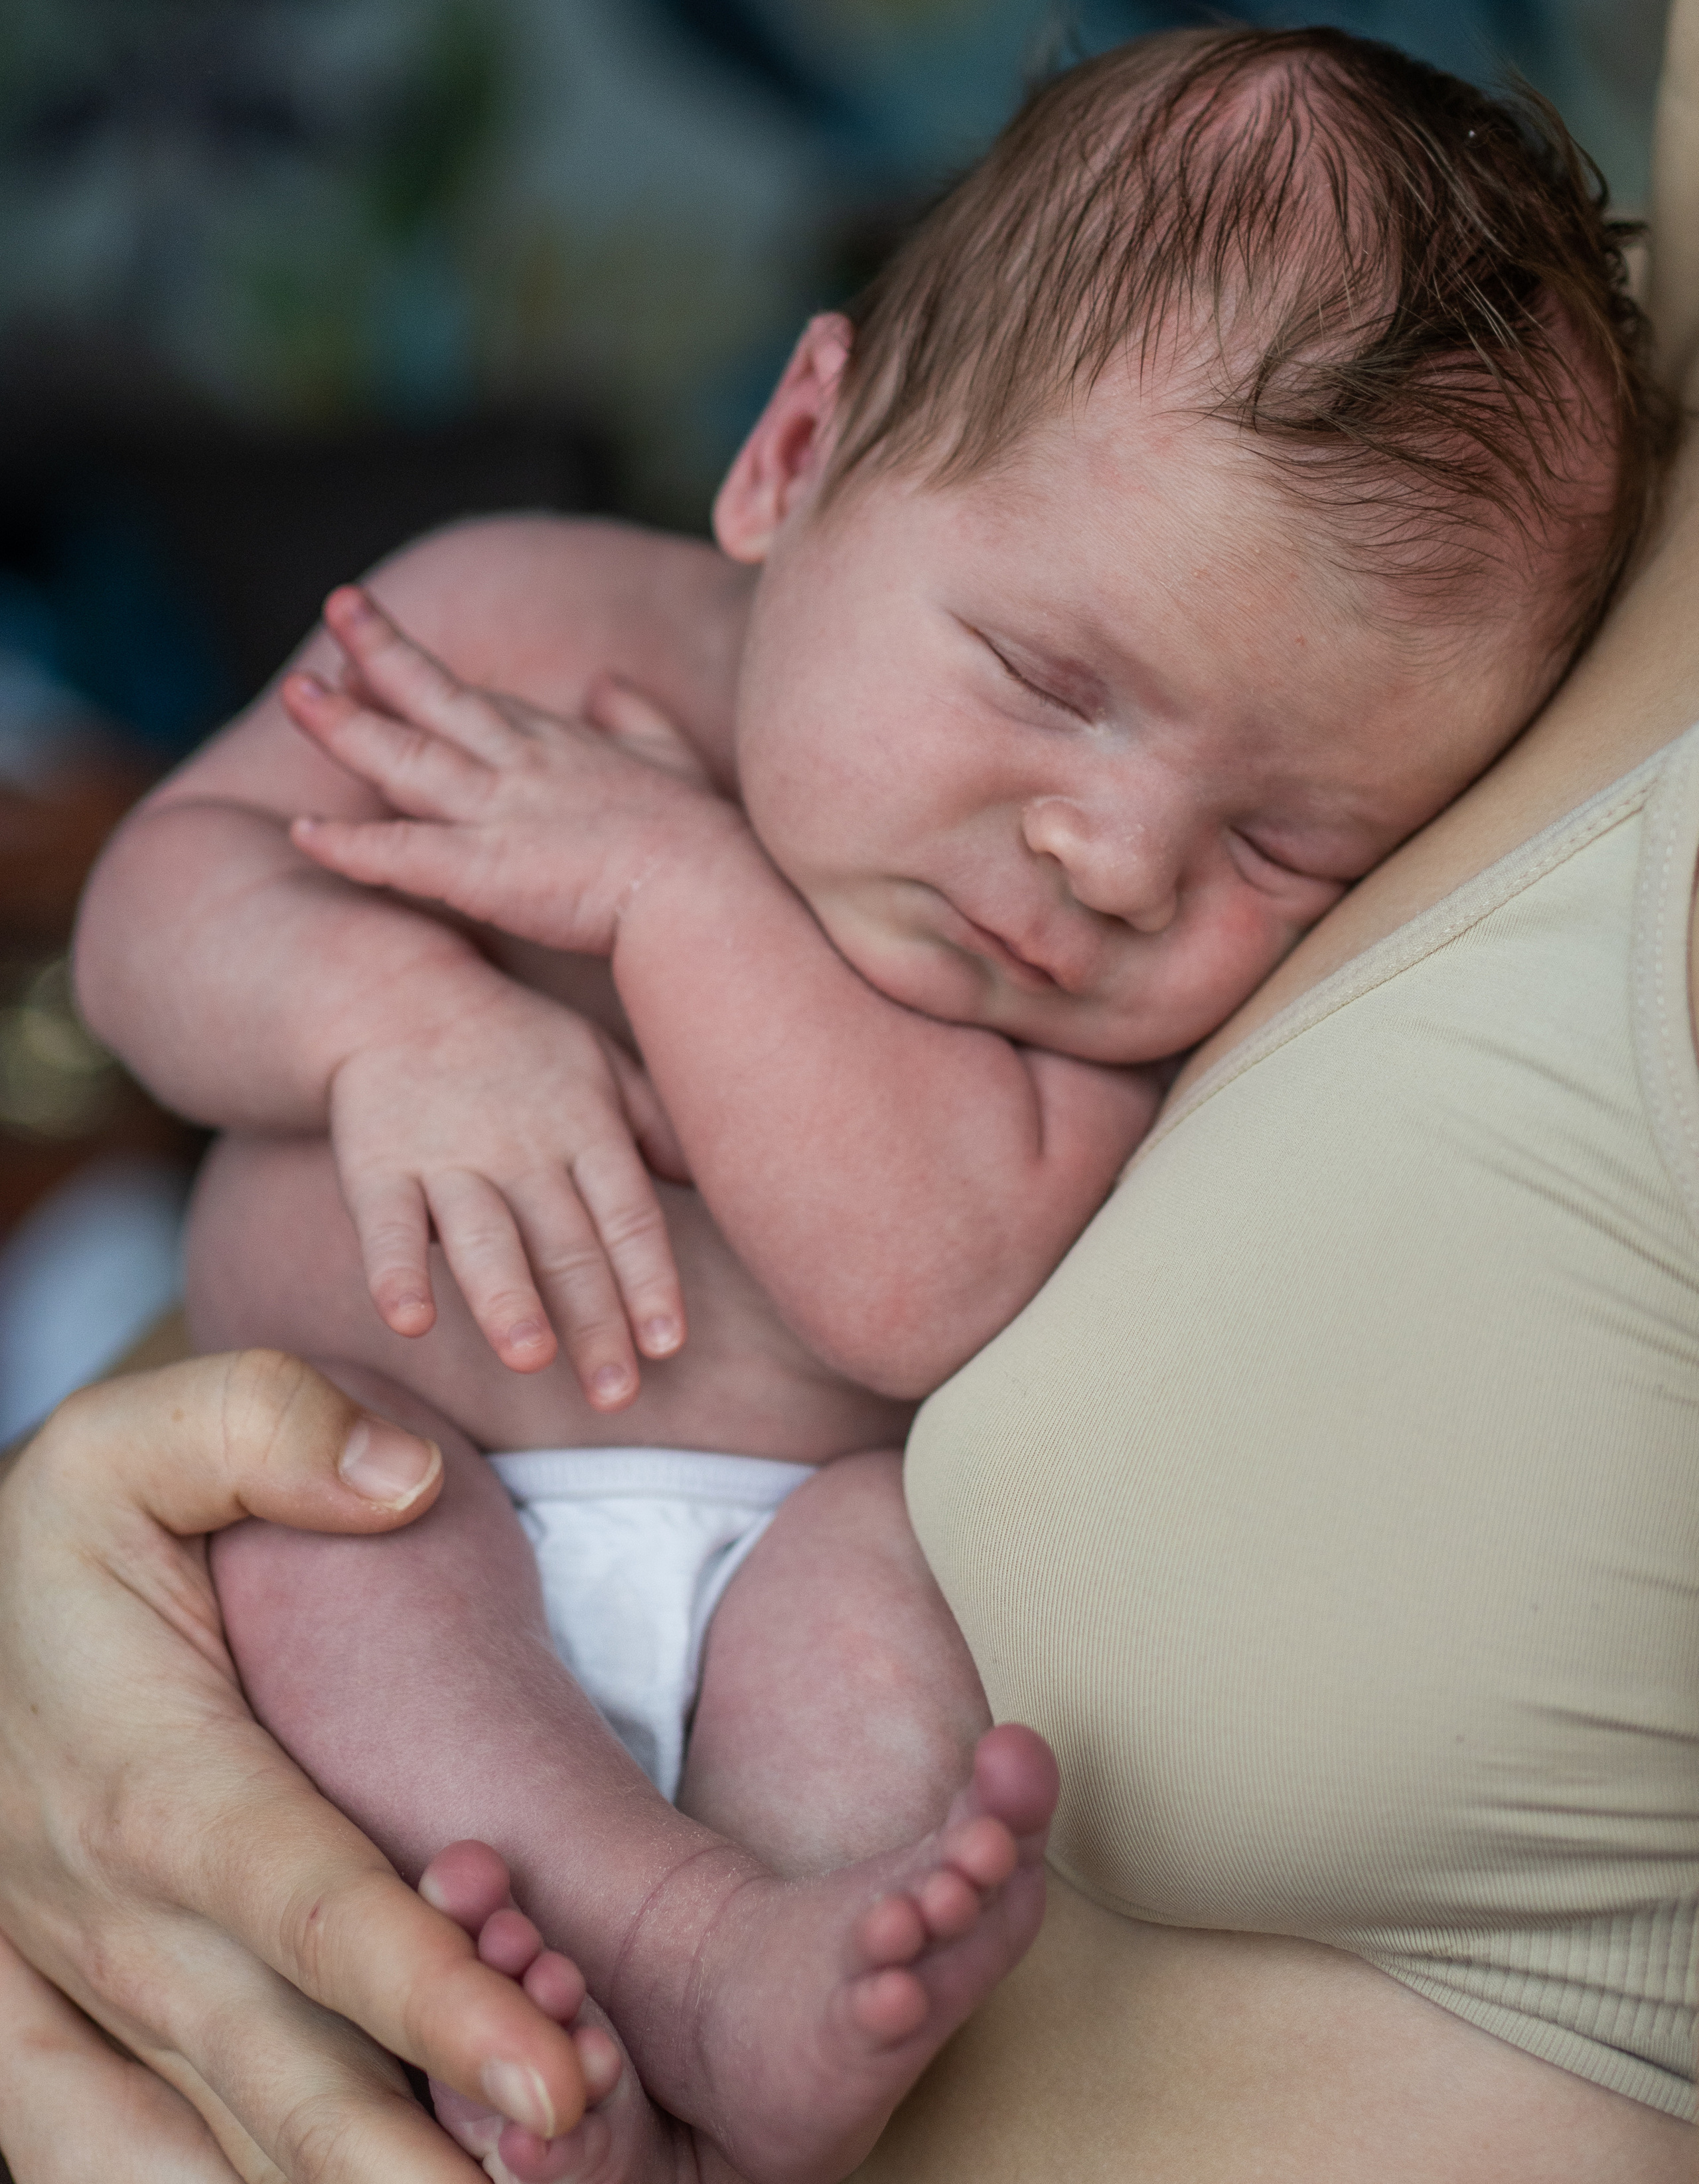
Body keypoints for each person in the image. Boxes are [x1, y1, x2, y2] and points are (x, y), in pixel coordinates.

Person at [6, 10, 1699, 2184]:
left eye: (1288, 844)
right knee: (331, 1547)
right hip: (399, 1491)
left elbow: (918, 1292)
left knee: (896, 1592)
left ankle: (726, 2017)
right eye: (1048, 680)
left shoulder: (1087, 1021)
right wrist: (381, 1013)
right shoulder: (513, 626)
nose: (1112, 861)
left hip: (781, 1549)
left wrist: (665, 880)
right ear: (795, 451)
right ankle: (624, 1985)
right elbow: (167, 906)